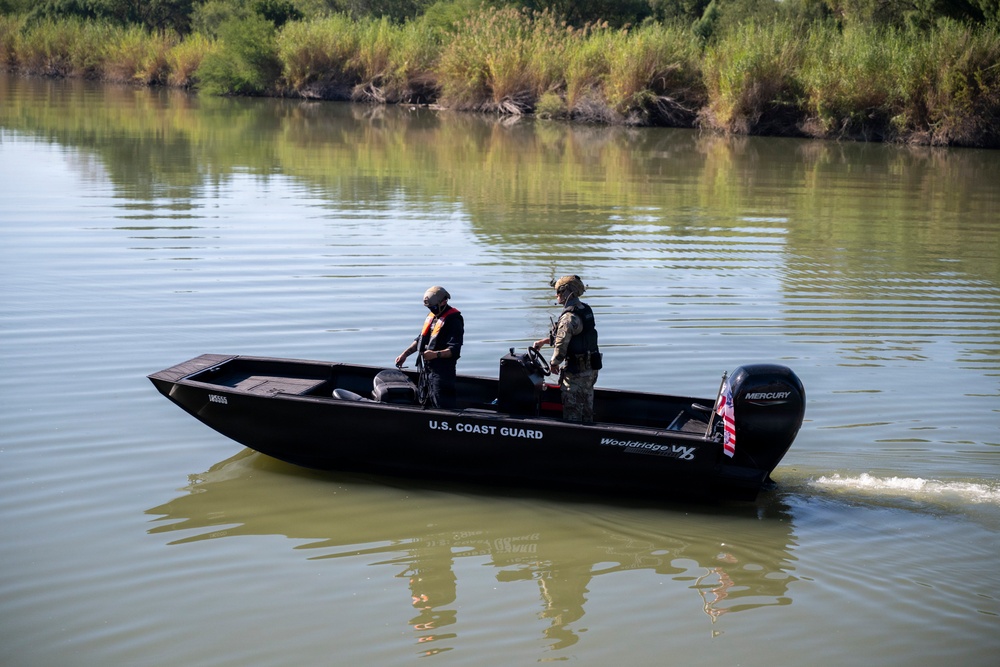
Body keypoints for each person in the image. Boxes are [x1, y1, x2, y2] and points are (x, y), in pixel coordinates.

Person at [532, 275, 602, 423]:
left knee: (573, 411)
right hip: (590, 370)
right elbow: (575, 336)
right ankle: (588, 432)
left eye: (558, 291)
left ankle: (574, 438)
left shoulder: (569, 317)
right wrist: (544, 341)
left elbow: (562, 342)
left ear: (566, 292)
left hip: (576, 373)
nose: (556, 295)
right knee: (586, 407)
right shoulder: (584, 310)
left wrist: (554, 363)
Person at [395, 286, 464, 409]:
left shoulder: (454, 320)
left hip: (442, 373)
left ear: (444, 302)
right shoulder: (432, 317)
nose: (432, 310)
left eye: (433, 307)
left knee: (442, 404)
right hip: (427, 371)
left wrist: (435, 354)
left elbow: (454, 350)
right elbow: (420, 340)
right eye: (429, 308)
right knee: (426, 400)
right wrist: (405, 354)